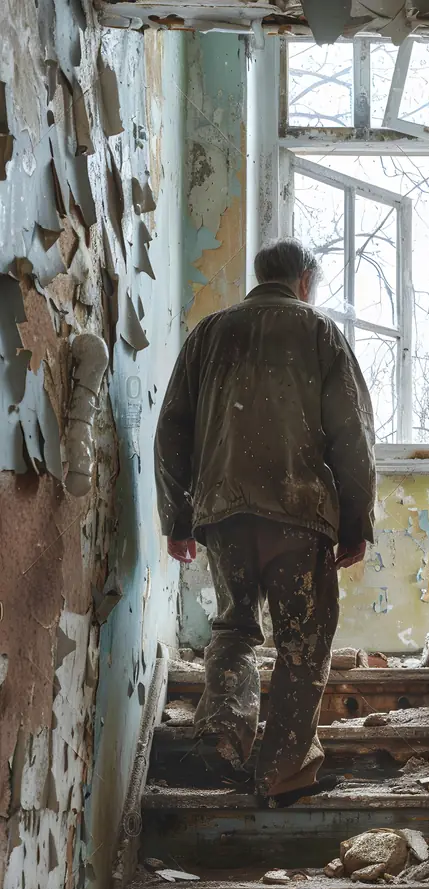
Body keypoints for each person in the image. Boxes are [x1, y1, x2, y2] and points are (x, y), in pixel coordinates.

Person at [154, 238, 376, 806]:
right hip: (299, 515)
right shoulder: (321, 333)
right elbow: (351, 433)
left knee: (234, 629)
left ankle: (224, 736)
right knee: (302, 642)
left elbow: (172, 429)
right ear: (305, 280)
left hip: (224, 513)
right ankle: (283, 773)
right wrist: (356, 522)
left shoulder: (209, 333)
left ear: (260, 276)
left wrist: (178, 516)